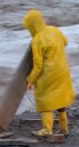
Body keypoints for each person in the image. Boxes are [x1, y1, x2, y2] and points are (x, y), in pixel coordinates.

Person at [23, 9, 75, 137]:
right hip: (62, 71)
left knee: (45, 102)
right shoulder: (54, 29)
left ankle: (47, 130)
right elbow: (65, 42)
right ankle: (64, 129)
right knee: (61, 100)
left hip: (48, 76)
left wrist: (30, 81)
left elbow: (38, 66)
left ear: (31, 25)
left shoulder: (37, 40)